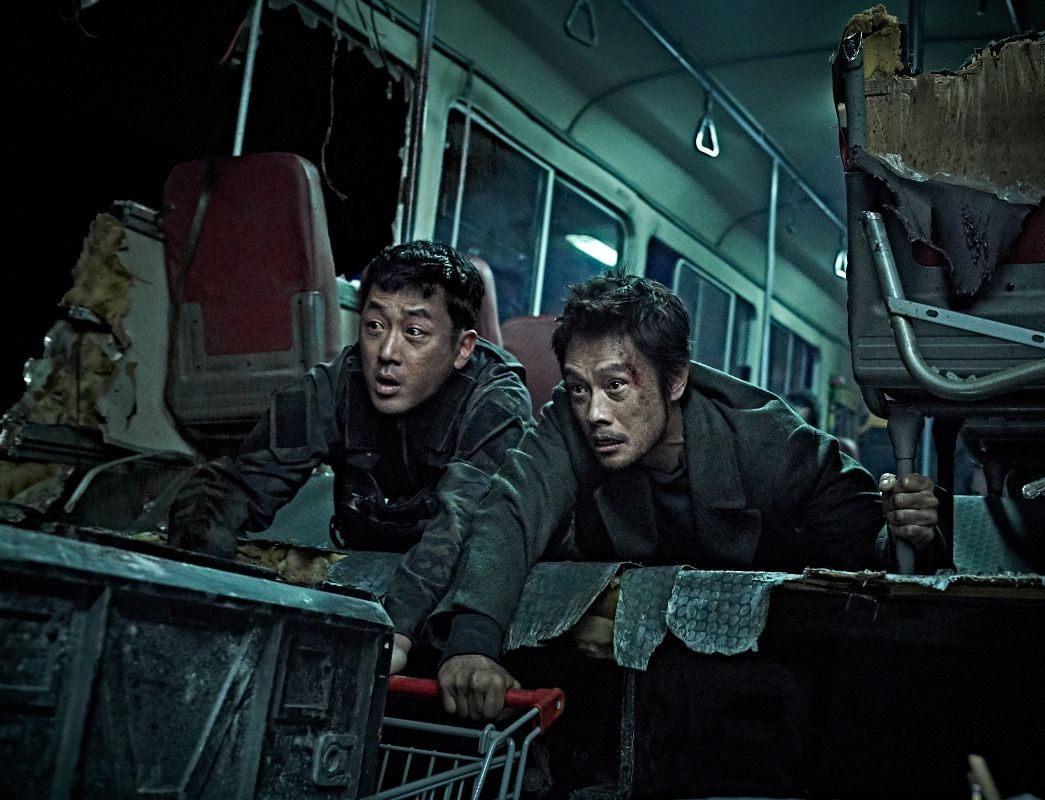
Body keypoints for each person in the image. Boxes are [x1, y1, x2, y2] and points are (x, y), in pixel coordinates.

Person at [435, 270, 945, 719]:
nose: (594, 413)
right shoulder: (569, 421)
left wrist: (909, 529)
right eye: (579, 387)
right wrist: (473, 643)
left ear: (676, 379)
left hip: (764, 672)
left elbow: (872, 543)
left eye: (616, 386)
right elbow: (511, 511)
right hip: (633, 678)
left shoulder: (769, 442)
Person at [167, 241, 533, 673]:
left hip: (447, 609)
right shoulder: (336, 384)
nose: (387, 352)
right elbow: (237, 483)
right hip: (366, 575)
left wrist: (393, 630)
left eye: (414, 332)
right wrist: (192, 589)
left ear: (462, 348)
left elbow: (460, 522)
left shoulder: (497, 400)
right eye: (374, 326)